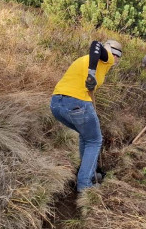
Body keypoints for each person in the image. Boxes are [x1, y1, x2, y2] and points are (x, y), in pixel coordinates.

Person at [50, 40, 123, 192]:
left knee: (86, 136)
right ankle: (85, 185)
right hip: (77, 103)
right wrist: (91, 73)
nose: (116, 61)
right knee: (95, 140)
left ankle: (89, 172)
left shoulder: (86, 60)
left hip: (57, 104)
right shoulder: (107, 58)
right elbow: (96, 45)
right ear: (115, 55)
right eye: (117, 57)